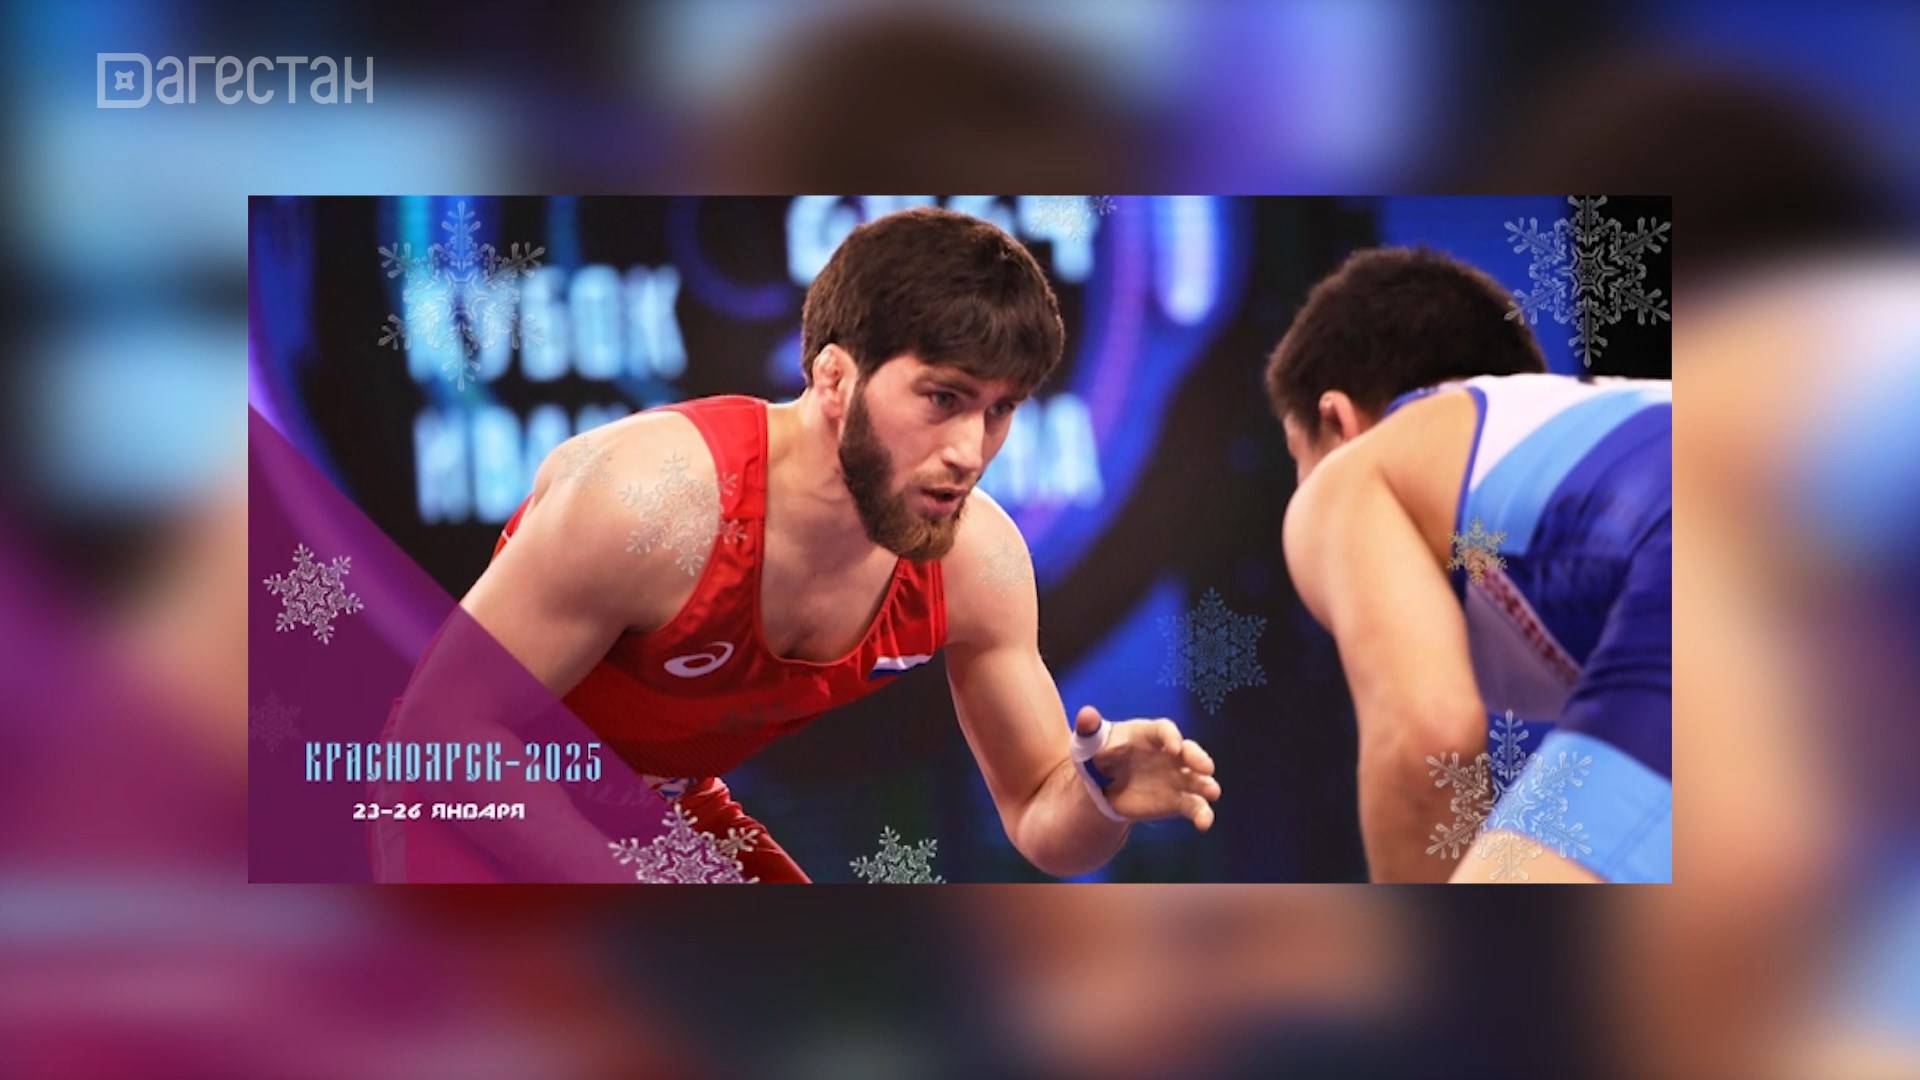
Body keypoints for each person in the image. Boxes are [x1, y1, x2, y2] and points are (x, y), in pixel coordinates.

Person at [446, 207, 1218, 882]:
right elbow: (441, 736)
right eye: (943, 398)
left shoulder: (975, 561)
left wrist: (1098, 796)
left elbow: (1040, 819)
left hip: (662, 810)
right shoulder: (652, 500)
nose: (970, 451)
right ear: (835, 378)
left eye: (998, 409)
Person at [1266, 246, 1670, 883]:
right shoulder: (1560, 433)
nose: (1304, 485)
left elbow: (1429, 743)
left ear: (1336, 421)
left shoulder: (1349, 475)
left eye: (1297, 457)